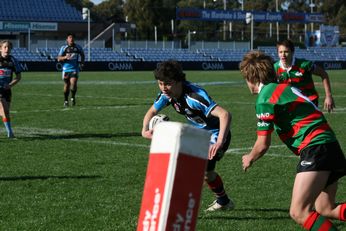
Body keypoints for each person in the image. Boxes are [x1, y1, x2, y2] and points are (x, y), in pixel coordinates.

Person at [239, 50, 346, 230]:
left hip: (316, 147)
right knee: (326, 208)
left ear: (251, 77)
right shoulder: (283, 87)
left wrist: (250, 157)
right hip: (329, 144)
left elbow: (262, 144)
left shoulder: (265, 98)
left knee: (299, 212)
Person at [141, 60, 234, 212]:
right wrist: (144, 130)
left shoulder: (195, 97)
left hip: (216, 135)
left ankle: (177, 206)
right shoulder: (167, 94)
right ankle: (223, 201)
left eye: (168, 84)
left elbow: (225, 115)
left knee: (192, 170)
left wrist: (219, 142)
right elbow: (151, 111)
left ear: (179, 81)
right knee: (207, 174)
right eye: (160, 83)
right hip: (198, 134)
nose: (163, 88)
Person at [274, 39, 335, 112]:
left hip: (309, 102)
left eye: (286, 52)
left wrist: (328, 96)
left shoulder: (304, 65)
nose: (283, 55)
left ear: (292, 52)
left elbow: (323, 74)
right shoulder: (275, 68)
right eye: (280, 52)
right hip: (289, 104)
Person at [0, 40, 22, 138]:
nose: (7, 49)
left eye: (9, 47)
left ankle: (10, 132)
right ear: (0, 49)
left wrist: (10, 85)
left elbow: (18, 77)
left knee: (6, 112)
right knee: (3, 109)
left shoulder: (13, 60)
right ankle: (10, 133)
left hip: (7, 90)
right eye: (5, 47)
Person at [57, 33, 85, 107]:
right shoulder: (64, 48)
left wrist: (82, 63)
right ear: (67, 39)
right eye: (69, 38)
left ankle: (72, 97)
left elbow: (82, 54)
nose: (71, 39)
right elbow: (59, 58)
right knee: (67, 85)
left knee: (74, 83)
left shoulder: (78, 47)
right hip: (66, 69)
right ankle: (66, 100)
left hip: (74, 68)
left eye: (72, 38)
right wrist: (65, 57)